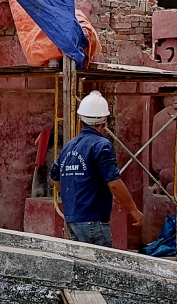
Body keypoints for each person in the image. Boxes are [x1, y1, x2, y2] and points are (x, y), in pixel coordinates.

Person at [51, 91, 144, 248]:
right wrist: (134, 210)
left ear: (81, 120)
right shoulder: (101, 145)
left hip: (73, 219)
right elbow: (114, 183)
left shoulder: (69, 146)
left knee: (82, 269)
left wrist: (76, 195)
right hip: (93, 221)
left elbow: (54, 178)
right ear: (104, 122)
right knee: (100, 270)